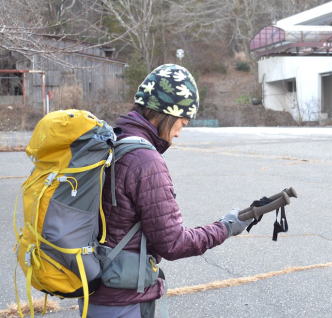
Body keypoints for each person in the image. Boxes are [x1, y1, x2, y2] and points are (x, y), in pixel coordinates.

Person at [79, 64, 251, 318]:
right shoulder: (145, 160)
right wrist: (226, 226)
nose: (181, 130)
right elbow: (173, 243)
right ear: (167, 114)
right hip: (123, 300)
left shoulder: (114, 140)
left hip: (96, 287)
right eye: (183, 119)